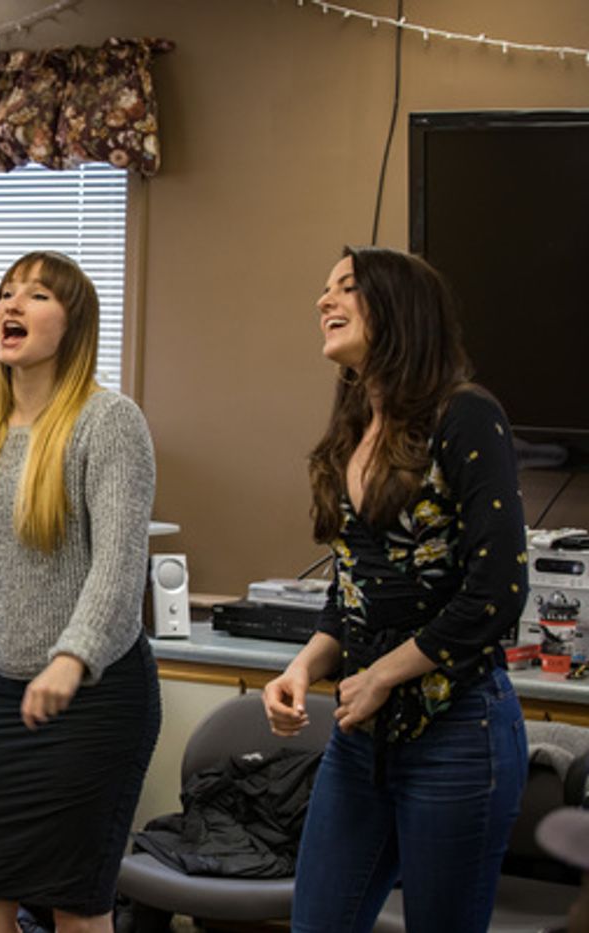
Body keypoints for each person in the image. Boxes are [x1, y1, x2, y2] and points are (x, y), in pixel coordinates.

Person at [261, 246, 529, 933]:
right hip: (362, 741)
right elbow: (352, 592)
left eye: (347, 287)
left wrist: (383, 672)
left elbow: (498, 590)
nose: (324, 300)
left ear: (400, 310)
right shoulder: (352, 430)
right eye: (323, 288)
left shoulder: (466, 416)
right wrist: (302, 666)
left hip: (459, 730)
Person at [0, 250, 160, 933]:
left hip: (97, 698)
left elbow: (118, 566)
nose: (12, 305)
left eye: (37, 295)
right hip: (4, 697)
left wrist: (72, 657)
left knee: (75, 913)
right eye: (6, 293)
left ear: (73, 324)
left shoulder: (109, 423)